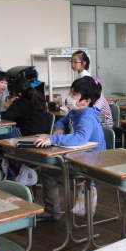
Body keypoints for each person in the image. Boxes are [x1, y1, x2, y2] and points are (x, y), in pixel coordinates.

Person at [34, 76, 105, 220]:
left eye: (74, 94)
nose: (70, 96)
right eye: (71, 92)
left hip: (90, 163)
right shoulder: (75, 112)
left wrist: (52, 139)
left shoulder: (87, 116)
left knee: (47, 169)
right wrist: (59, 128)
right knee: (47, 166)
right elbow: (62, 120)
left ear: (86, 101)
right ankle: (53, 210)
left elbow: (80, 138)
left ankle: (53, 211)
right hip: (79, 157)